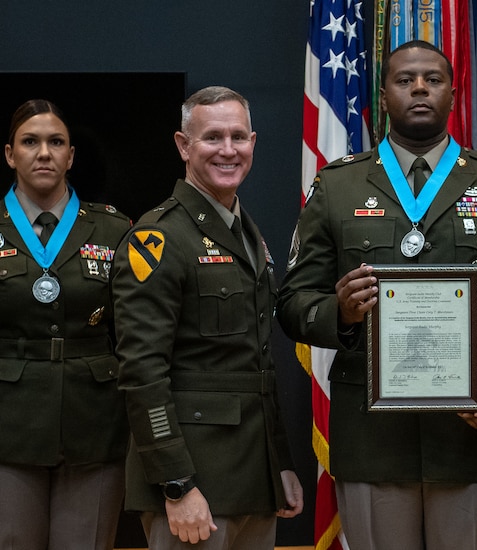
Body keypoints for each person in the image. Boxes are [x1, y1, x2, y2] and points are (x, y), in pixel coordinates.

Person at [277, 40, 477, 550]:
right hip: (374, 440)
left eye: (432, 79)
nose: (419, 88)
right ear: (383, 96)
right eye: (404, 80)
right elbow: (292, 303)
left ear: (453, 93)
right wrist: (340, 311)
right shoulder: (337, 186)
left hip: (472, 437)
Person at [112, 86, 303, 549]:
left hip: (252, 480)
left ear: (254, 143)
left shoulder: (245, 232)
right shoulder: (158, 238)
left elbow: (256, 362)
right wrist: (176, 484)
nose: (228, 149)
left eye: (239, 136)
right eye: (212, 137)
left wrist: (278, 464)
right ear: (183, 146)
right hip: (193, 484)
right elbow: (141, 374)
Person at [0, 99, 131, 549]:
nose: (44, 153)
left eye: (56, 142)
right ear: (9, 154)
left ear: (71, 156)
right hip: (8, 424)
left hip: (93, 423)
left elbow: (136, 332)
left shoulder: (114, 230)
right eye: (30, 142)